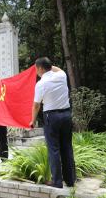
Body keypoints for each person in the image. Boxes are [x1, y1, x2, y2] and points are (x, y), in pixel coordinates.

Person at [30, 57, 76, 188]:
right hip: (66, 115)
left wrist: (32, 121)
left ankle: (57, 181)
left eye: (36, 68)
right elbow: (57, 69)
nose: (35, 71)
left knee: (53, 149)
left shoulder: (40, 84)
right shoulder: (61, 75)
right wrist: (49, 66)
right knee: (67, 147)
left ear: (40, 68)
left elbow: (36, 105)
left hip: (52, 117)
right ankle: (70, 180)